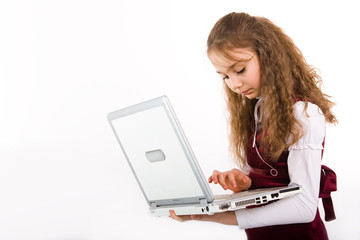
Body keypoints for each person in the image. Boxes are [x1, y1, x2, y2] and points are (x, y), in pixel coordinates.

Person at [169, 12, 337, 240]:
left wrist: (210, 216)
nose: (234, 84)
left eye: (239, 70)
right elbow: (272, 178)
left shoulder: (302, 113)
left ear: (269, 56)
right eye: (224, 76)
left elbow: (304, 206)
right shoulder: (257, 108)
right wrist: (247, 183)